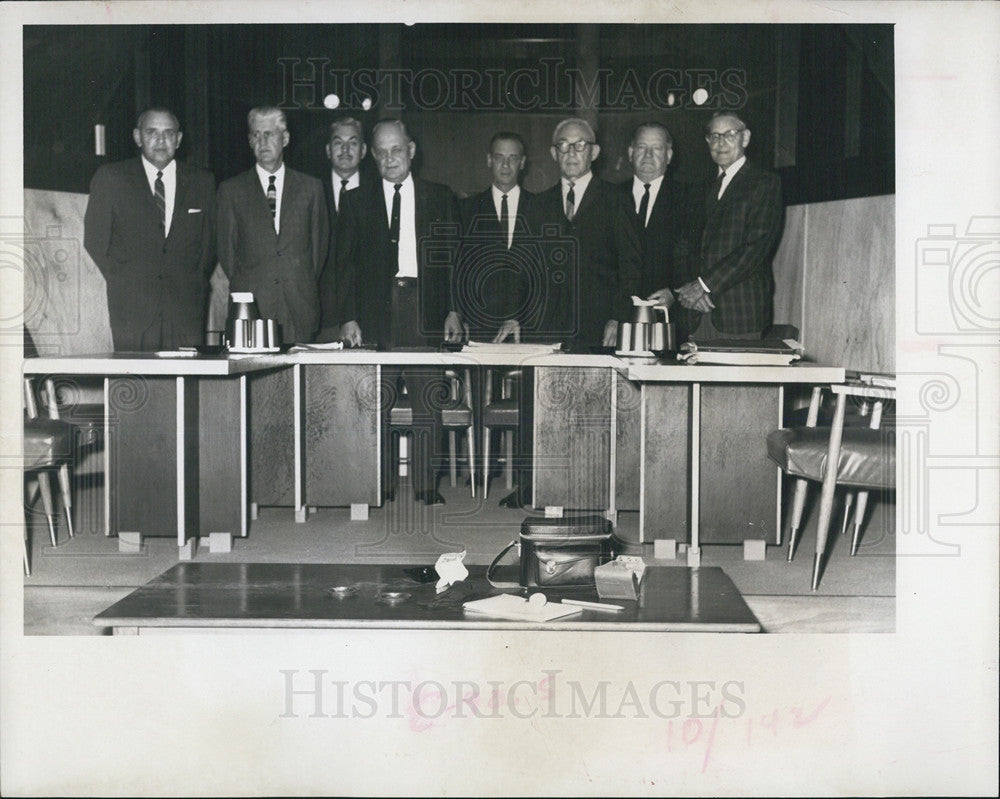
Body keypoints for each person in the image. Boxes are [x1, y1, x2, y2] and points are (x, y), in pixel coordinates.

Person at [335, 119, 462, 505]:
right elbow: (345, 266)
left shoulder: (440, 197)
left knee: (428, 399)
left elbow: (453, 260)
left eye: (397, 150)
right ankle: (382, 483)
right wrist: (348, 316)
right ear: (372, 156)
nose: (390, 158)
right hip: (376, 309)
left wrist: (454, 310)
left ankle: (426, 485)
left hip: (425, 304)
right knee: (378, 399)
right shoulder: (357, 201)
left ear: (411, 151)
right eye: (382, 151)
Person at [84, 107, 216, 351]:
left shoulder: (203, 182)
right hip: (132, 310)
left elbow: (209, 247)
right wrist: (126, 279)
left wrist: (192, 281)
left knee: (185, 385)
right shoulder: (111, 178)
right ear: (137, 137)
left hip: (186, 310)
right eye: (151, 132)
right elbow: (95, 241)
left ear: (178, 139)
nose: (161, 140)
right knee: (136, 384)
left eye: (168, 133)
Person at [216, 106, 328, 344]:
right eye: (256, 135)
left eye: (270, 134)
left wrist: (294, 276)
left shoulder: (311, 188)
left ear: (285, 138)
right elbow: (227, 253)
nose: (263, 141)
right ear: (249, 140)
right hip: (251, 308)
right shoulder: (231, 190)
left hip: (299, 306)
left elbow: (318, 251)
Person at [675, 111, 783, 340]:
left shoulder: (764, 183)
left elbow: (755, 249)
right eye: (714, 136)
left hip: (739, 315)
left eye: (729, 135)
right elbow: (684, 245)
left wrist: (704, 285)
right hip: (696, 312)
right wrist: (691, 290)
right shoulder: (700, 188)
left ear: (745, 138)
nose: (720, 142)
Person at [536, 117, 641, 349]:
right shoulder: (539, 204)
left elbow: (630, 265)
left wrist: (619, 317)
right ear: (554, 154)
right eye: (563, 145)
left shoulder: (616, 200)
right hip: (548, 330)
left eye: (580, 145)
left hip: (600, 328)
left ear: (594, 152)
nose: (571, 152)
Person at [456, 131, 541, 343]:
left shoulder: (541, 208)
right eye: (498, 157)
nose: (505, 165)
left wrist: (520, 316)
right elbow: (459, 267)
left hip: (526, 326)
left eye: (512, 158)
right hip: (478, 326)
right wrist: (460, 315)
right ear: (488, 160)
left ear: (522, 163)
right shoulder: (466, 209)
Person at [621, 122, 696, 341]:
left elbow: (695, 255)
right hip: (617, 321)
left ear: (669, 155)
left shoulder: (690, 198)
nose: (648, 155)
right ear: (630, 152)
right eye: (642, 147)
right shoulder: (610, 196)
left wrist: (675, 291)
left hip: (669, 320)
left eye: (657, 149)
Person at [317, 116, 367, 341]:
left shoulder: (379, 193)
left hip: (365, 315)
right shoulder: (310, 192)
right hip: (320, 317)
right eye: (338, 142)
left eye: (353, 143)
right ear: (328, 150)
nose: (345, 149)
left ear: (364, 150)